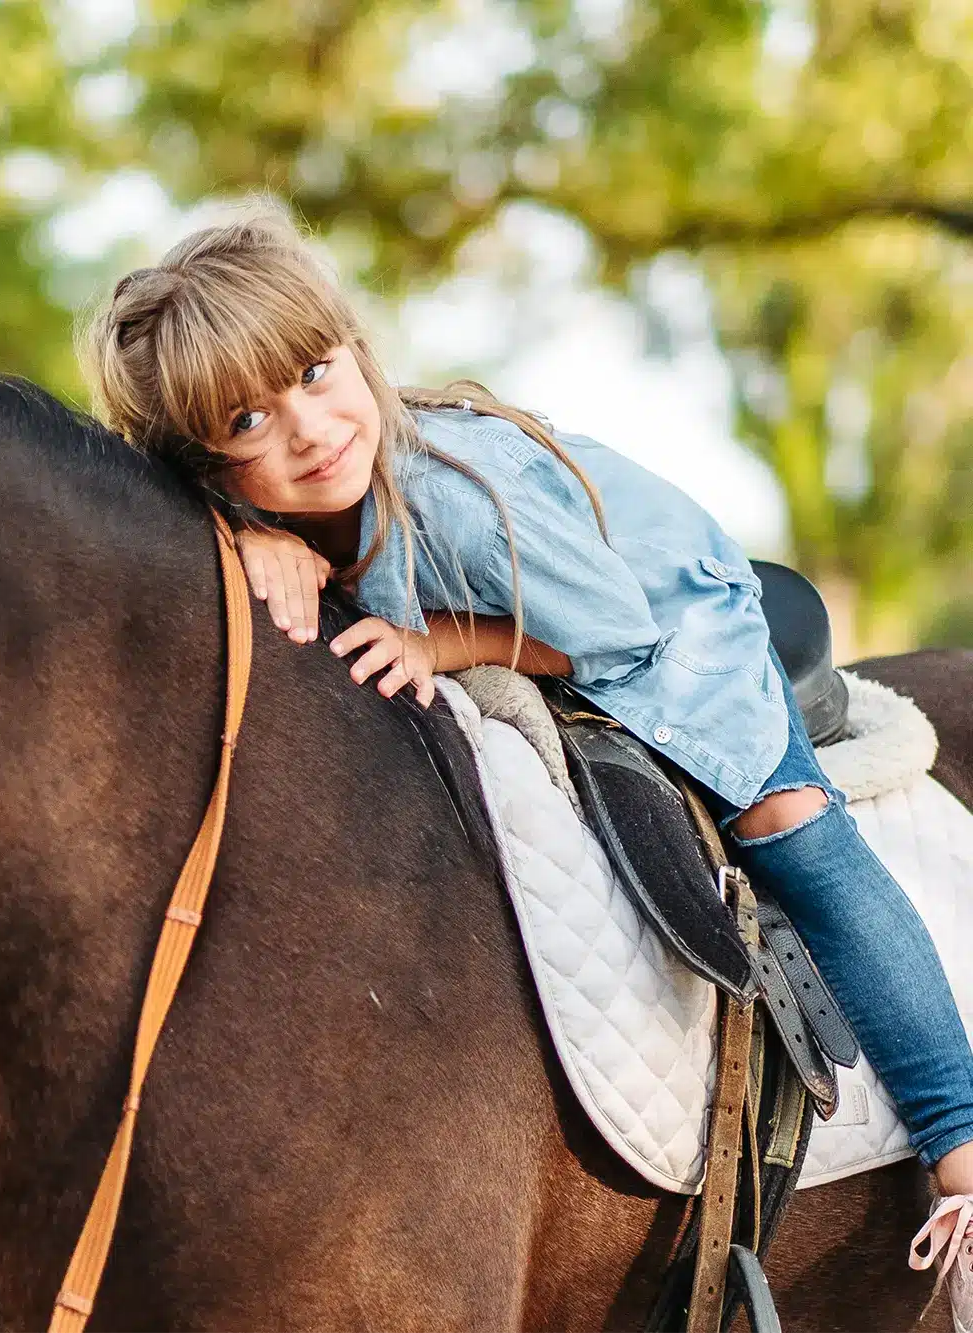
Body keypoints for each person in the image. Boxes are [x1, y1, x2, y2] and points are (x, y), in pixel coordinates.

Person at [79, 200, 973, 1315]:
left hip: (655, 616)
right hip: (547, 601)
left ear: (354, 348)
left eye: (312, 372)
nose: (306, 430)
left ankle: (953, 1137)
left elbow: (604, 627)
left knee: (790, 832)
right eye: (247, 419)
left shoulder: (453, 499)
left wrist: (434, 639)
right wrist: (249, 535)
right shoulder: (271, 500)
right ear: (208, 461)